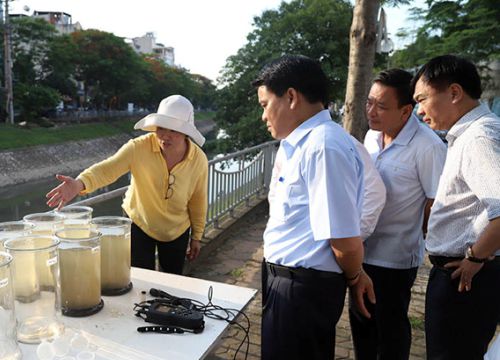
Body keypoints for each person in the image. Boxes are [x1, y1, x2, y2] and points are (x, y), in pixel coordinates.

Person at [253, 54, 375, 360]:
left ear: (291, 97)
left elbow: (343, 239)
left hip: (302, 291)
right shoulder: (302, 143)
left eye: (265, 105)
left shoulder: (323, 146)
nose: (264, 116)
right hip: (288, 284)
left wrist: (355, 275)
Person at [46, 95, 208, 275]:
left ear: (186, 132)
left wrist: (197, 236)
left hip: (177, 230)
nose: (165, 136)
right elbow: (108, 169)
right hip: (139, 223)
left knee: (172, 281)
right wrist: (79, 183)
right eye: (161, 128)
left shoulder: (198, 160)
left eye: (174, 130)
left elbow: (198, 199)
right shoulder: (138, 147)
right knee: (139, 279)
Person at [350, 69, 447, 360]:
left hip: (395, 258)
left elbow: (436, 201)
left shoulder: (428, 147)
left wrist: (417, 235)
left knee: (390, 329)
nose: (372, 111)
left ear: (407, 110)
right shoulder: (371, 136)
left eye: (382, 106)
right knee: (361, 322)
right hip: (361, 249)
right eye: (369, 102)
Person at [412, 55, 500, 360]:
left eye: (422, 99)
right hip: (464, 275)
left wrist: (475, 258)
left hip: (465, 279)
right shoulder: (470, 133)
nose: (419, 110)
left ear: (453, 92)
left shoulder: (479, 137)